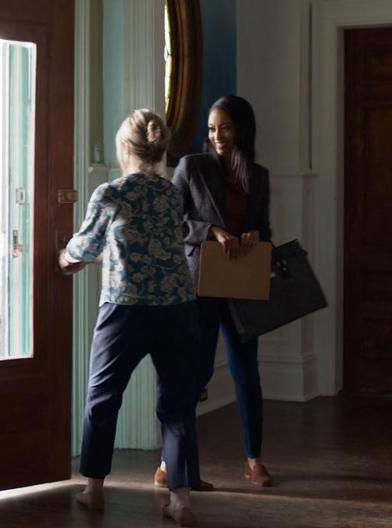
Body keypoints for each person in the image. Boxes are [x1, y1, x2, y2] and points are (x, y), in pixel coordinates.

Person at [59, 109, 201, 526]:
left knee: (103, 398)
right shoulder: (171, 194)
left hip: (125, 308)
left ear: (125, 148)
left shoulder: (112, 193)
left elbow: (84, 247)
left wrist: (65, 256)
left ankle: (94, 488)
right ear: (158, 152)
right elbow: (153, 245)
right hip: (177, 306)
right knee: (177, 405)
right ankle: (181, 499)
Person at [154, 95, 273, 489]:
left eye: (225, 127)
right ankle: (170, 462)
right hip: (201, 282)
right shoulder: (192, 166)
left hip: (242, 284)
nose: (217, 136)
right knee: (196, 371)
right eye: (211, 128)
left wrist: (256, 235)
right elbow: (172, 221)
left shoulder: (258, 175)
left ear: (241, 128)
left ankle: (253, 460)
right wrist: (211, 231)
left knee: (247, 375)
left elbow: (265, 229)